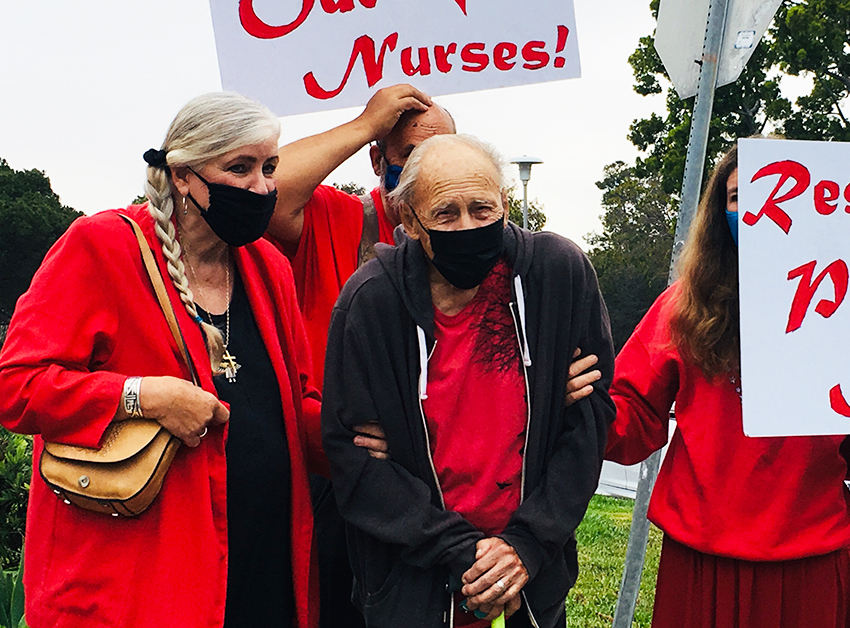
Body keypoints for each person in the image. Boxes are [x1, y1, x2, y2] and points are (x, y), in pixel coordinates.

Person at [0, 92, 382, 628]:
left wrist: (368, 435)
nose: (262, 187)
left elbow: (299, 406)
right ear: (182, 175)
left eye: (268, 168)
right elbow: (15, 386)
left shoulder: (267, 265)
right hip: (141, 585)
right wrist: (141, 397)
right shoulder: (102, 246)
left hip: (265, 573)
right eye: (240, 168)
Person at [604, 144, 850, 628]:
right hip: (703, 566)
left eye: (779, 195)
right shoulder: (683, 308)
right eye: (740, 197)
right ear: (718, 213)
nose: (759, 211)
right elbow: (631, 422)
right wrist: (574, 398)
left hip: (810, 568)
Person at [321, 134, 615, 628]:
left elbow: (588, 425)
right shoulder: (370, 302)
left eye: (483, 209)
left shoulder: (557, 275)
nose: (469, 226)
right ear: (409, 221)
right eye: (446, 214)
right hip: (413, 591)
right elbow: (352, 459)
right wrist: (464, 552)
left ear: (504, 201)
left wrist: (526, 544)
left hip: (531, 580)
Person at [269, 83, 454, 386]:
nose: (426, 169)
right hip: (338, 426)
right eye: (411, 154)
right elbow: (267, 190)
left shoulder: (472, 238)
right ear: (378, 160)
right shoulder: (340, 219)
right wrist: (366, 125)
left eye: (440, 154)